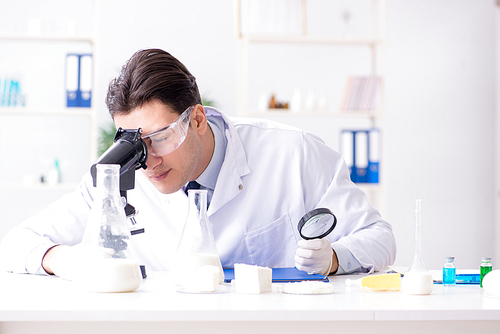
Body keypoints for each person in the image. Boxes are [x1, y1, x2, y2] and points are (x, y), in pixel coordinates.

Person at [0, 49, 396, 278]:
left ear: (197, 119)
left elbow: (380, 238)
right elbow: (15, 244)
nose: (148, 161)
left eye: (158, 138)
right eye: (133, 143)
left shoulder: (293, 154)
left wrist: (333, 259)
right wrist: (64, 258)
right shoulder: (119, 179)